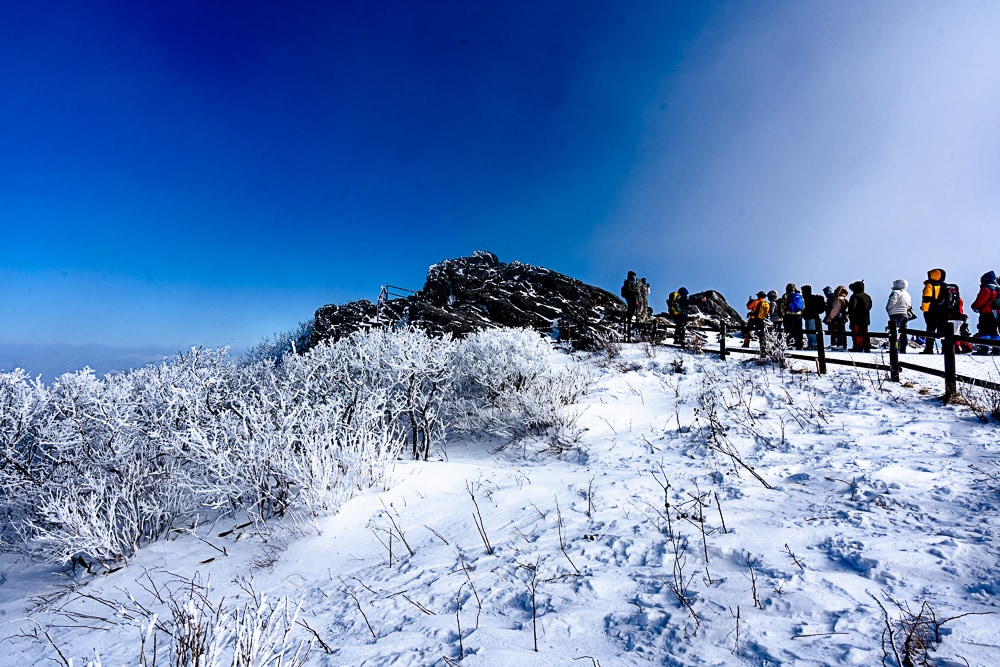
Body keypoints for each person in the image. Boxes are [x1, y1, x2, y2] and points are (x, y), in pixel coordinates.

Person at [920, 268, 950, 354]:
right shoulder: (945, 285)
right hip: (944, 311)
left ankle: (929, 348)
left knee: (930, 330)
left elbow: (926, 298)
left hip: (931, 311)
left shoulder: (930, 285)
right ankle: (945, 349)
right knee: (942, 331)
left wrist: (924, 309)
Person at [969, 271, 999, 355]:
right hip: (996, 314)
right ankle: (996, 348)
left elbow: (981, 300)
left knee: (984, 330)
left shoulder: (986, 288)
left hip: (986, 313)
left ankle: (984, 348)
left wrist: (974, 306)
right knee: (994, 331)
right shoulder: (997, 288)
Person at [885, 279, 912, 353]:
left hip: (895, 314)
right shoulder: (907, 294)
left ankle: (895, 348)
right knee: (903, 332)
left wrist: (888, 308)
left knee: (894, 333)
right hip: (905, 314)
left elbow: (891, 303)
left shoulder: (895, 292)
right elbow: (909, 305)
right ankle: (903, 348)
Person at [848, 280, 873, 352]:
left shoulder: (855, 296)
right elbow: (870, 306)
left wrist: (850, 314)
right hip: (866, 318)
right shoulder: (867, 296)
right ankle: (866, 346)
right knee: (865, 332)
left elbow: (852, 308)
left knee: (857, 333)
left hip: (856, 318)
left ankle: (858, 346)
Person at [778, 283, 805, 350]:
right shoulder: (799, 295)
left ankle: (790, 345)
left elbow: (783, 305)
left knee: (789, 329)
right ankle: (799, 345)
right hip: (798, 315)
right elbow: (803, 306)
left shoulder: (786, 295)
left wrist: (783, 313)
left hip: (789, 315)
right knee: (799, 330)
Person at [825, 285, 849, 351]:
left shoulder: (838, 299)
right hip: (843, 317)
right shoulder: (844, 299)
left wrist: (830, 317)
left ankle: (840, 345)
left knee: (838, 331)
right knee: (843, 331)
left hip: (837, 318)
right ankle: (844, 345)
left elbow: (835, 309)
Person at [802, 285, 825, 350]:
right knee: (810, 332)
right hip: (812, 317)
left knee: (811, 332)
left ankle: (814, 345)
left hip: (811, 317)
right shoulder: (812, 297)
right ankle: (812, 344)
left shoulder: (809, 298)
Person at [621, 271, 638, 337]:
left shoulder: (630, 282)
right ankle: (626, 318)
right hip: (630, 297)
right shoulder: (629, 282)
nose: (634, 277)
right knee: (631, 308)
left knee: (631, 309)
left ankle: (627, 318)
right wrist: (635, 292)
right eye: (633, 276)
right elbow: (629, 289)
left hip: (630, 297)